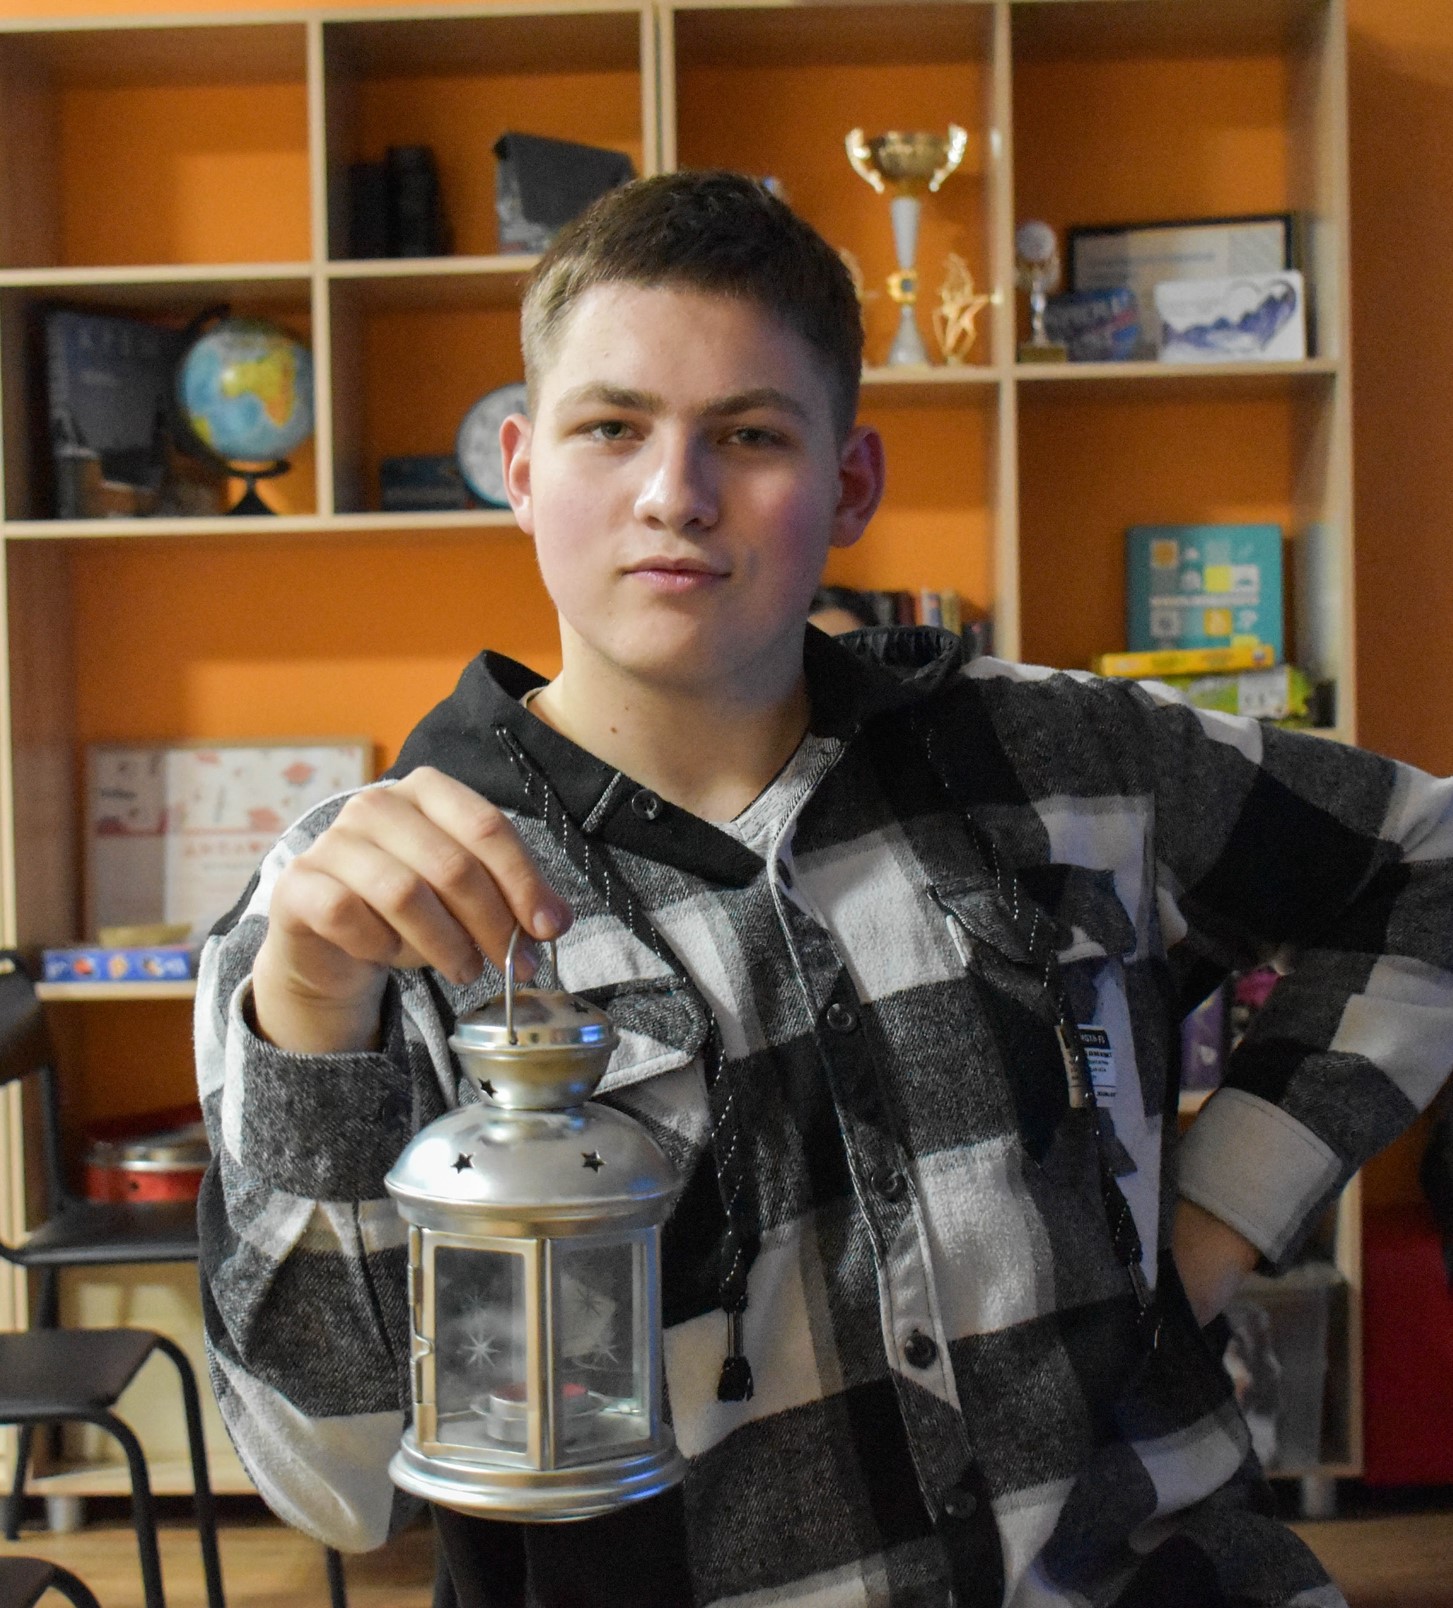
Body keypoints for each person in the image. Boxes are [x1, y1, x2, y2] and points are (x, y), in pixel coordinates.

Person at [195, 171, 1453, 1608]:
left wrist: (1218, 1221)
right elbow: (333, 1480)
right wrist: (311, 1019)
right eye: (612, 428)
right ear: (522, 470)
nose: (675, 494)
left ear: (850, 483)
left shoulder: (1060, 758)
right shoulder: (350, 913)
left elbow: (1427, 862)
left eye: (749, 434)